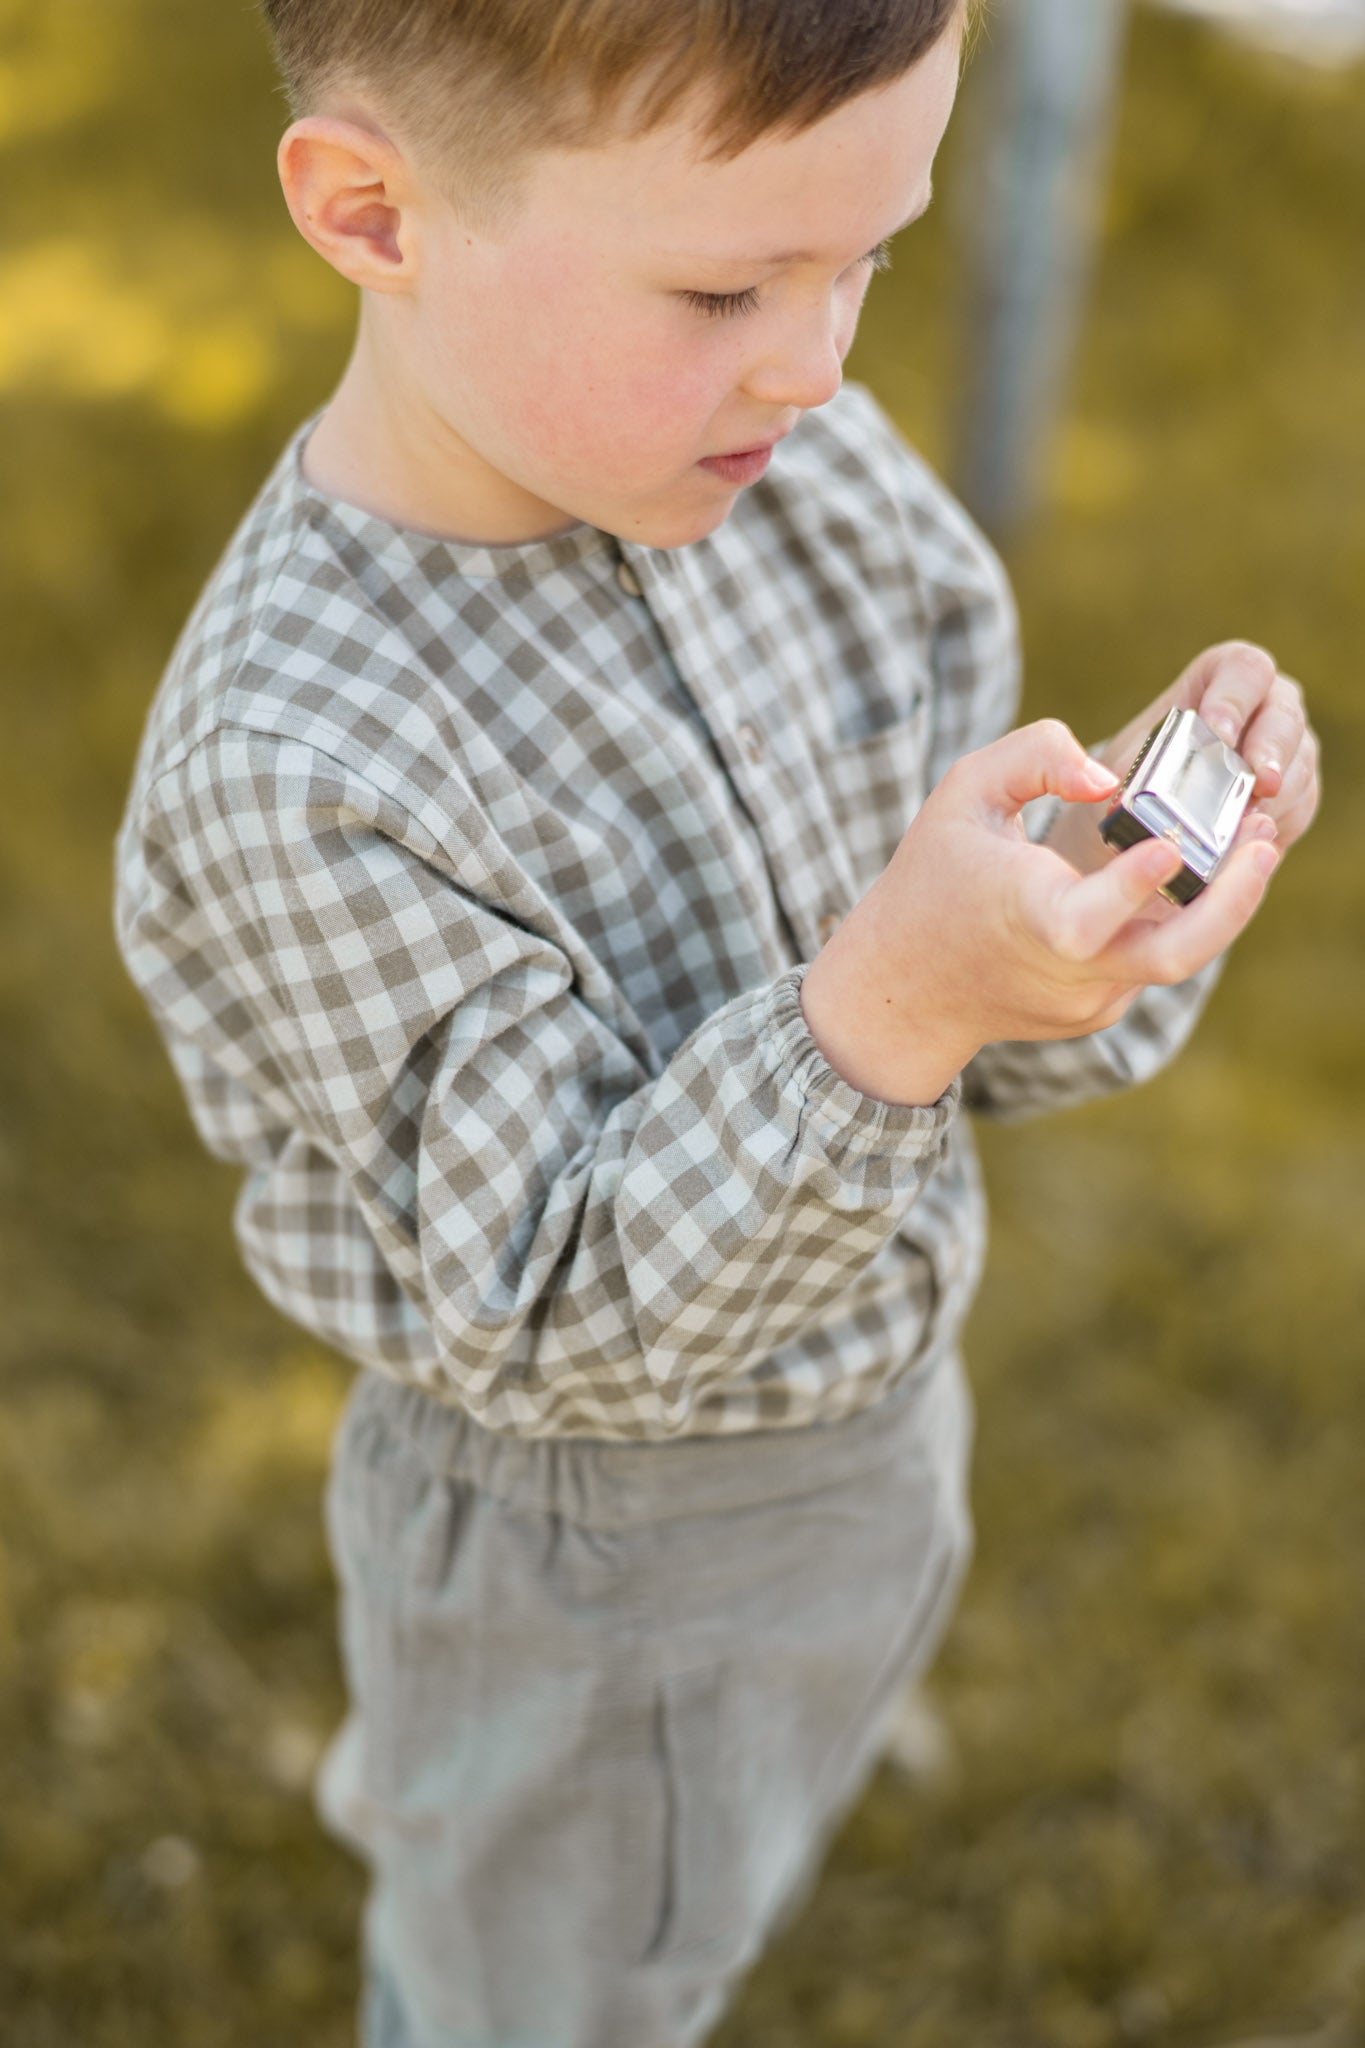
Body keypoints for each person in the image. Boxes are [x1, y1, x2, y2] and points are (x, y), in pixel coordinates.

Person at [112, 0, 1320, 2042]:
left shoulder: (796, 469)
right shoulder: (302, 768)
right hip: (590, 1563)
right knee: (542, 1994)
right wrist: (891, 996)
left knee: (727, 1801)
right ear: (375, 213)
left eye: (868, 255)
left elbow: (961, 1007)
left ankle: (709, 1761)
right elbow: (556, 1303)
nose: (821, 358)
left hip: (859, 1420)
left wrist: (1092, 918)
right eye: (723, 283)